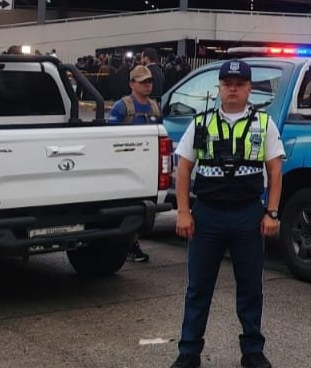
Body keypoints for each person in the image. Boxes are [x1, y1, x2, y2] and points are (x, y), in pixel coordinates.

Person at [170, 59, 283, 368]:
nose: (233, 88)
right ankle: (189, 353)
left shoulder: (264, 123)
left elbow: (275, 171)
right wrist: (183, 212)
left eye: (240, 84)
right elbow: (183, 169)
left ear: (249, 89)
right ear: (219, 88)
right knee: (198, 289)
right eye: (227, 84)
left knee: (250, 288)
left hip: (248, 215)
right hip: (207, 215)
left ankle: (253, 352)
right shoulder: (201, 123)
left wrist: (271, 213)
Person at [108, 65, 161, 264]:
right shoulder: (123, 107)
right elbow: (111, 137)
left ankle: (132, 242)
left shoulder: (154, 106)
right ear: (132, 84)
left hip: (146, 165)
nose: (148, 85)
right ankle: (128, 244)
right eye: (143, 82)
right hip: (127, 164)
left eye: (150, 81)